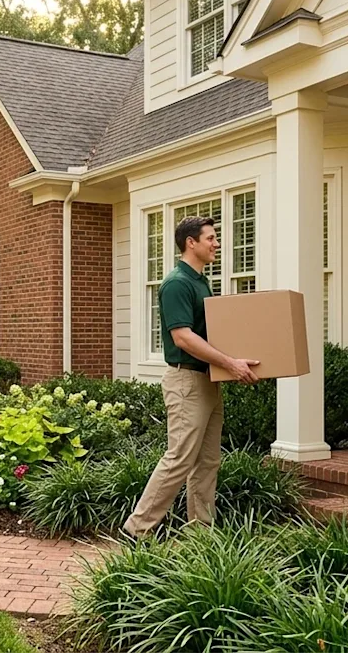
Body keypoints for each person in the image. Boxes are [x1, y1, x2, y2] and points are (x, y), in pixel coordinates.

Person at [123, 216, 260, 538]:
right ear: (191, 242)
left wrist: (237, 359)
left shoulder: (200, 281)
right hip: (186, 382)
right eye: (210, 238)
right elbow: (183, 337)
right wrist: (230, 363)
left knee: (208, 461)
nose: (216, 244)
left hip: (208, 381)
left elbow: (209, 332)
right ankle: (136, 529)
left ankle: (201, 532)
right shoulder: (177, 283)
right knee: (180, 459)